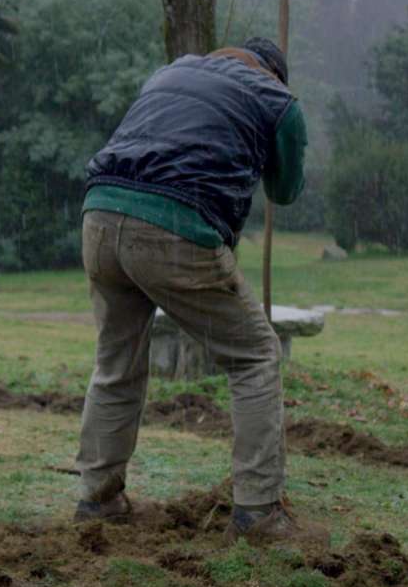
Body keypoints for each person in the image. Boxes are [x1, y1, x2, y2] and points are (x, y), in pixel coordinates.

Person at [73, 37, 309, 539]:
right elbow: (285, 191)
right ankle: (259, 511)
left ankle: (98, 500)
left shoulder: (170, 72)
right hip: (175, 224)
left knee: (117, 363)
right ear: (274, 74)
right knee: (255, 354)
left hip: (99, 212)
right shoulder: (277, 102)